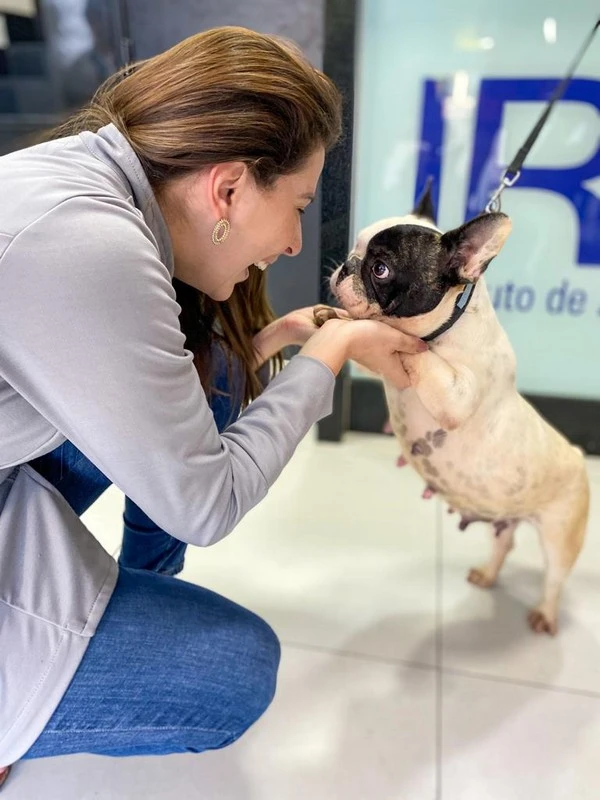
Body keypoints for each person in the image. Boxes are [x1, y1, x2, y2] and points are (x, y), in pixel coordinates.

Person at [0, 26, 424, 788]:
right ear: (227, 188)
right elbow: (206, 503)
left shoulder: (91, 179)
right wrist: (330, 354)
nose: (297, 242)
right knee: (235, 671)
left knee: (219, 374)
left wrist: (296, 333)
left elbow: (160, 379)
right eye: (297, 204)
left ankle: (133, 606)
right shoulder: (90, 245)